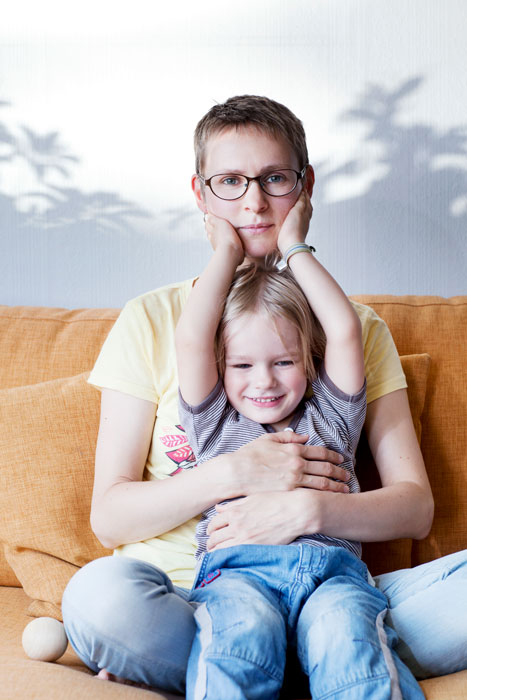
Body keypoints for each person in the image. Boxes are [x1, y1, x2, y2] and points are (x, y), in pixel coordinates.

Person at [61, 95, 466, 696]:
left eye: (275, 178)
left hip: (336, 586)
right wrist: (234, 471)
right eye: (229, 182)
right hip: (199, 595)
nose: (253, 201)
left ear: (304, 187)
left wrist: (308, 510)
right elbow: (109, 515)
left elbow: (413, 508)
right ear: (200, 196)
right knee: (99, 596)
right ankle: (305, 661)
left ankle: (306, 656)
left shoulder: (349, 339)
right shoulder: (157, 323)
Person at [175, 193, 426, 698]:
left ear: (310, 363)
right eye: (242, 366)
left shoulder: (332, 416)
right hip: (237, 578)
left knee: (348, 638)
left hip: (333, 581)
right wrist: (224, 252)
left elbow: (344, 328)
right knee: (235, 639)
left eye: (284, 362)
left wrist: (294, 245)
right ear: (221, 368)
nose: (263, 381)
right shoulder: (213, 423)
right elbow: (192, 339)